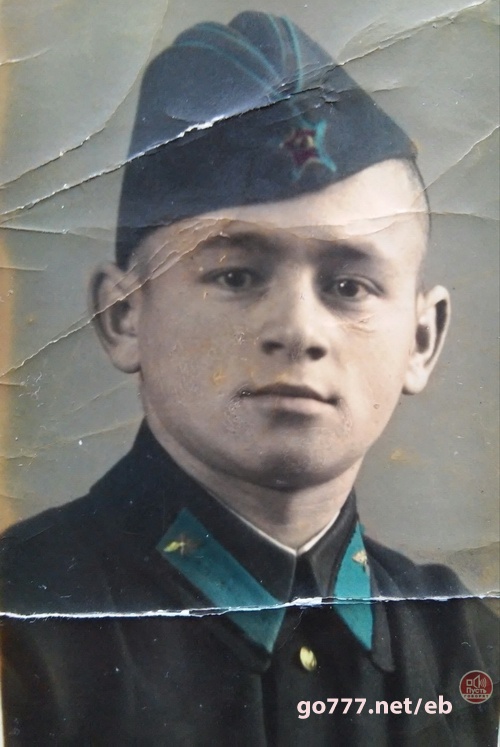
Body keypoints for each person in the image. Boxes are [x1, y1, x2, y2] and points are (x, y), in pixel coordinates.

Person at [1, 11, 498, 745]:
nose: (297, 331)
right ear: (124, 315)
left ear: (422, 339)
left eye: (349, 286)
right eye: (235, 274)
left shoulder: (473, 651)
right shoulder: (23, 628)